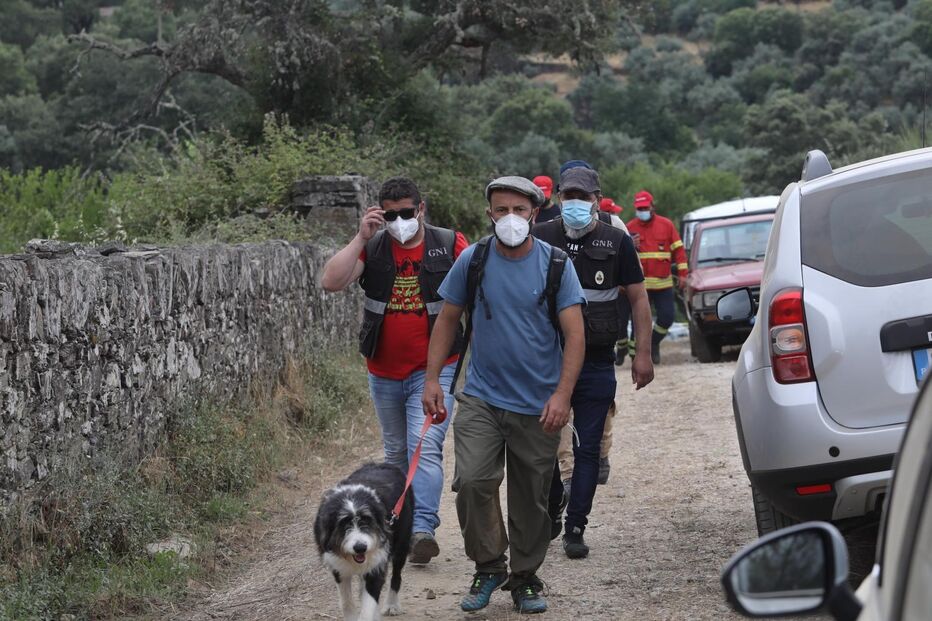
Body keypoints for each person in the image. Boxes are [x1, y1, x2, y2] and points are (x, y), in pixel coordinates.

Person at [421, 176, 586, 614]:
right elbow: (446, 319)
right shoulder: (473, 260)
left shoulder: (555, 265)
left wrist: (562, 395)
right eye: (501, 209)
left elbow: (574, 335)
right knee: (473, 481)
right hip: (481, 397)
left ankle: (526, 578)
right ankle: (489, 564)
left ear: (534, 213)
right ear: (489, 213)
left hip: (539, 402)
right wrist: (432, 379)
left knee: (531, 496)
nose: (510, 218)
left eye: (519, 209)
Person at [320, 176, 468, 564]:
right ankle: (401, 521)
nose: (400, 220)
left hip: (435, 368)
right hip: (383, 370)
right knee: (397, 452)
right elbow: (330, 281)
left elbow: (476, 291)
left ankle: (422, 529)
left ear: (421, 209)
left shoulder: (449, 244)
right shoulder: (374, 246)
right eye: (391, 214)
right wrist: (360, 237)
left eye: (407, 212)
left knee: (427, 446)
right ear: (381, 213)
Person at [534, 166, 654, 560]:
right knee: (542, 445)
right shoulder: (541, 236)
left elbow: (638, 299)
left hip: (598, 361)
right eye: (568, 196)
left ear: (597, 199)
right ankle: (553, 506)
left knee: (587, 450)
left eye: (582, 197)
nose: (574, 204)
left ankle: (576, 526)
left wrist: (643, 353)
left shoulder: (617, 241)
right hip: (546, 362)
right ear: (558, 199)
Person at [620, 190, 688, 365]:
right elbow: (620, 255)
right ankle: (638, 360)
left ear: (652, 207)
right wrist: (629, 244)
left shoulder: (666, 225)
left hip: (663, 284)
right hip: (639, 286)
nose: (642, 210)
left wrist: (683, 274)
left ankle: (653, 343)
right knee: (638, 324)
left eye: (645, 207)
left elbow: (679, 251)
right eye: (639, 208)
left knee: (667, 318)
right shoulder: (628, 227)